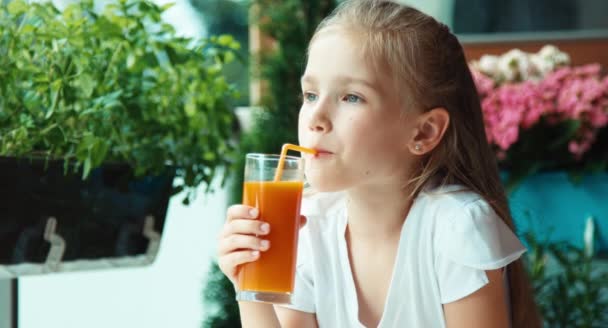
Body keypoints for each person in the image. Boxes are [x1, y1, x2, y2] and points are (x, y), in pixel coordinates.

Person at [217, 0, 541, 327]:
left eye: (351, 97)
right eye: (311, 95)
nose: (315, 118)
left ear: (424, 131)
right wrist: (250, 285)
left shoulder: (457, 227)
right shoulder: (307, 227)